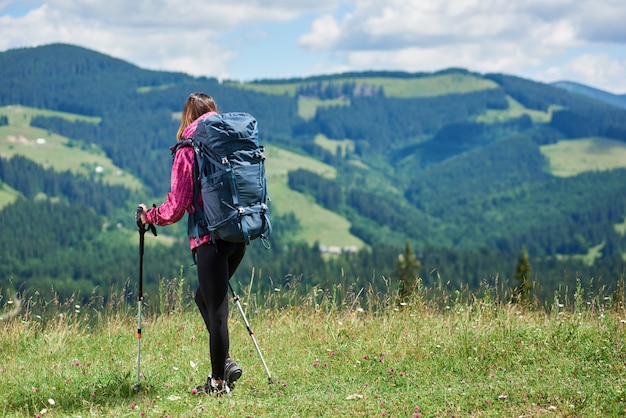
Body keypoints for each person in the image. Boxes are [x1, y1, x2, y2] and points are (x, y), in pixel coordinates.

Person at [138, 92, 245, 396]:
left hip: (210, 239)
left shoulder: (190, 148)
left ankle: (219, 383)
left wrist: (150, 217)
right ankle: (224, 363)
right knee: (205, 299)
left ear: (188, 115)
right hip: (238, 235)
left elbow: (177, 206)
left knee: (217, 311)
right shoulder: (229, 142)